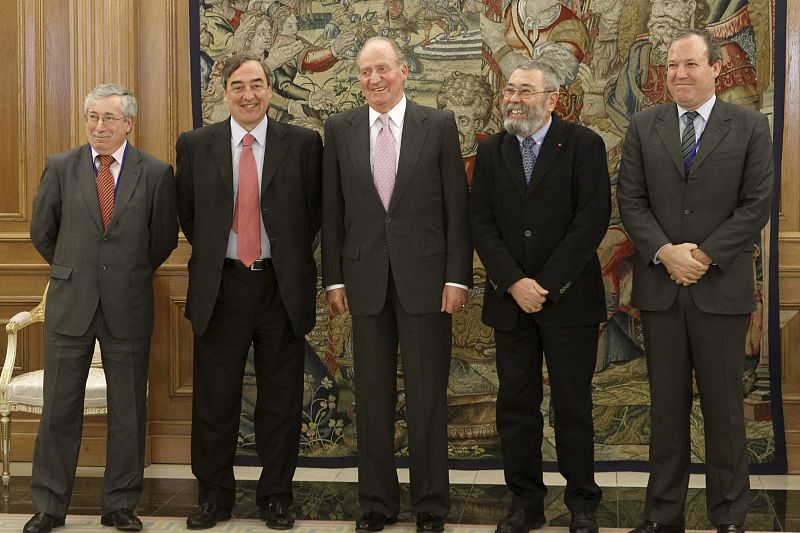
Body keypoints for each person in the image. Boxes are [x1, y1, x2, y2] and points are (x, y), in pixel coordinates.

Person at [617, 29, 773, 533]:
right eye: (671, 66)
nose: (678, 74)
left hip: (720, 288)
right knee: (666, 409)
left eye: (689, 65)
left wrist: (702, 256)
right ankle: (662, 515)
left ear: (714, 69)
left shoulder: (749, 126)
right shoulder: (644, 126)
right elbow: (631, 201)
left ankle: (728, 517)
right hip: (661, 289)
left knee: (725, 411)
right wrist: (666, 253)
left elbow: (757, 204)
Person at [321, 36, 472, 533]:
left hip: (427, 282)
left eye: (383, 69)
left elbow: (456, 208)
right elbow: (332, 210)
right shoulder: (339, 128)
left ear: (404, 71)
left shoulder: (438, 125)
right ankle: (376, 504)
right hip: (363, 281)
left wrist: (456, 276)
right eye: (366, 71)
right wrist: (333, 279)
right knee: (371, 398)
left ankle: (430, 505)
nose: (375, 79)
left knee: (427, 397)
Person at [175, 51, 322, 530]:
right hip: (221, 286)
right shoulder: (196, 145)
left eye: (256, 84)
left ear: (270, 89)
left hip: (281, 286)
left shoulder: (303, 144)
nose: (248, 94)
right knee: (215, 401)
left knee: (280, 402)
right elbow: (190, 214)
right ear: (224, 93)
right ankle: (213, 498)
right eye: (238, 85)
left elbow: (313, 214)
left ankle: (276, 497)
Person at [26, 83, 178, 533]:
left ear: (128, 123)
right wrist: (74, 270)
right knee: (59, 410)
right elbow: (42, 232)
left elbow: (162, 239)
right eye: (92, 117)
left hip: (128, 305)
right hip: (71, 304)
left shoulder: (155, 173)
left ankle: (120, 505)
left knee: (128, 410)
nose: (98, 126)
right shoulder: (60, 167)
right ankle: (49, 506)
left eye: (109, 118)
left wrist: (125, 273)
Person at [469, 60, 610, 533]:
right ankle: (524, 502)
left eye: (525, 91)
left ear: (552, 99)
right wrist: (514, 282)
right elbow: (480, 223)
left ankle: (582, 503)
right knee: (516, 407)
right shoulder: (491, 151)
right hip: (510, 303)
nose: (513, 99)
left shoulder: (584, 145)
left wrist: (544, 285)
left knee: (573, 406)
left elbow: (590, 222)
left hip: (569, 302)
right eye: (509, 90)